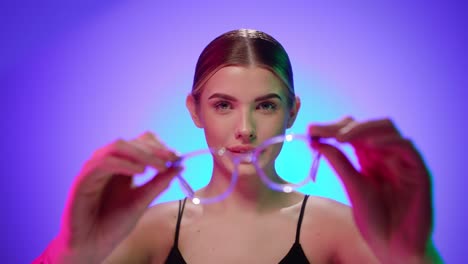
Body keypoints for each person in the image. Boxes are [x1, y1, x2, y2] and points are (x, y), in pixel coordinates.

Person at [34, 29, 442, 263]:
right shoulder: (144, 229)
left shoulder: (339, 228)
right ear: (194, 110)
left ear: (292, 112)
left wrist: (414, 258)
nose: (245, 130)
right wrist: (69, 255)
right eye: (223, 105)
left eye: (265, 105)